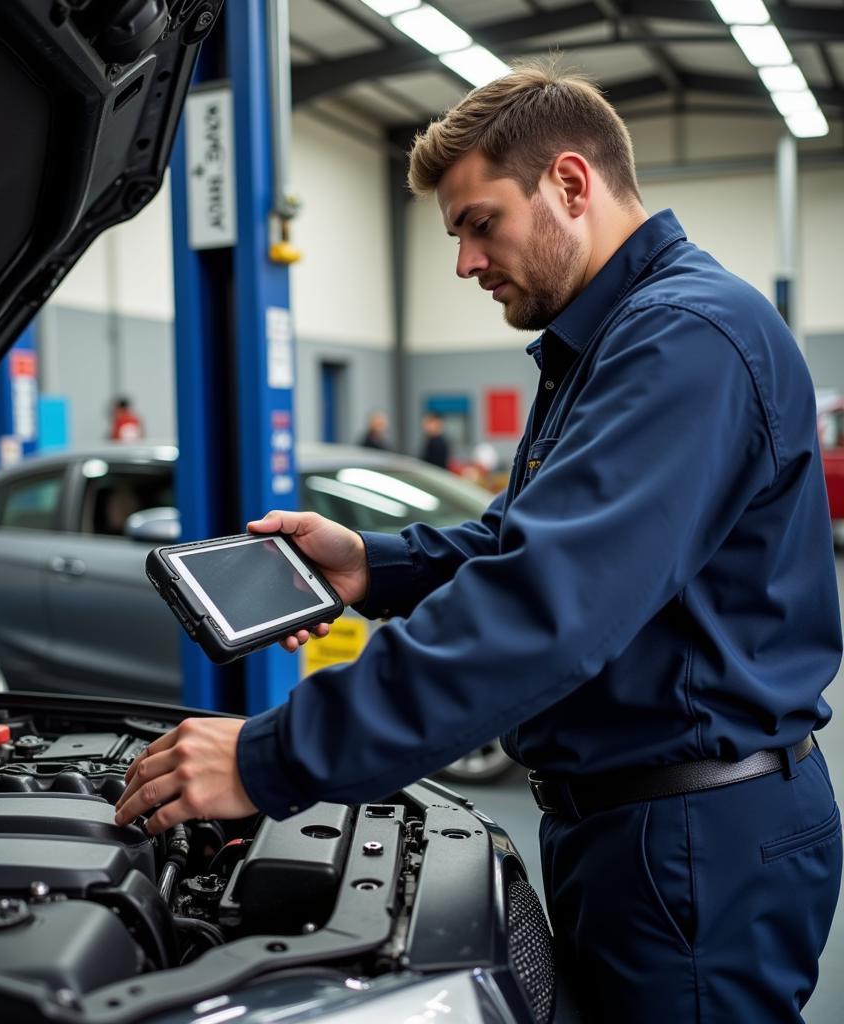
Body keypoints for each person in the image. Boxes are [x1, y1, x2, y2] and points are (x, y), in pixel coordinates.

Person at [114, 62, 842, 1022]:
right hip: (639, 824)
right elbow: (523, 542)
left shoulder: (684, 338)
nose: (465, 262)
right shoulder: (614, 338)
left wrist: (269, 759)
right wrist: (373, 565)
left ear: (570, 185)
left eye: (479, 223)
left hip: (690, 840)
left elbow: (542, 606)